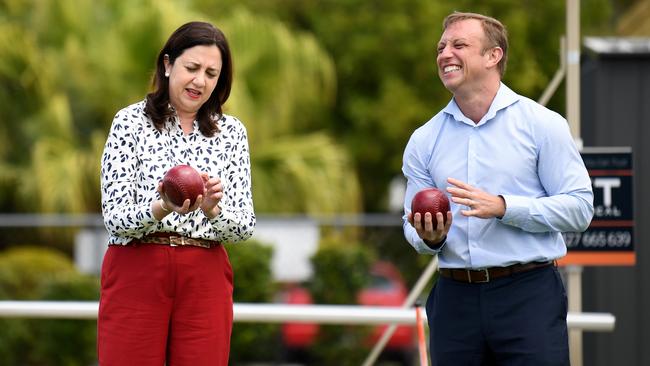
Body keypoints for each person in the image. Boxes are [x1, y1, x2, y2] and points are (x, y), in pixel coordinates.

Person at [402, 12, 594, 365]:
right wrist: (431, 237)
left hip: (528, 295)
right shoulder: (423, 140)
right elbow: (410, 224)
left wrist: (505, 207)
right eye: (441, 47)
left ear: (494, 56)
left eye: (459, 45)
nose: (445, 54)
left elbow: (580, 209)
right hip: (453, 298)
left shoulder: (542, 125)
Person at [98, 21, 255, 366]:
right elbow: (114, 217)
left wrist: (215, 210)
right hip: (137, 267)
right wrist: (162, 206)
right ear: (168, 64)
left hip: (205, 274)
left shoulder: (232, 133)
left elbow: (244, 227)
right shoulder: (129, 123)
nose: (201, 81)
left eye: (212, 73)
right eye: (192, 67)